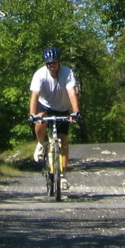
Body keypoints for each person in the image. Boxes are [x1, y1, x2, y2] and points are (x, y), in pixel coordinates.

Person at [28, 46, 81, 190]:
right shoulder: (40, 75)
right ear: (46, 64)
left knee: (63, 141)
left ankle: (62, 175)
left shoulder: (67, 72)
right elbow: (35, 96)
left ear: (59, 62)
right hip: (45, 106)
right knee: (40, 119)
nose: (52, 66)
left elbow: (72, 92)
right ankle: (41, 143)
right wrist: (32, 115)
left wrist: (75, 112)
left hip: (62, 108)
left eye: (55, 62)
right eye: (49, 63)